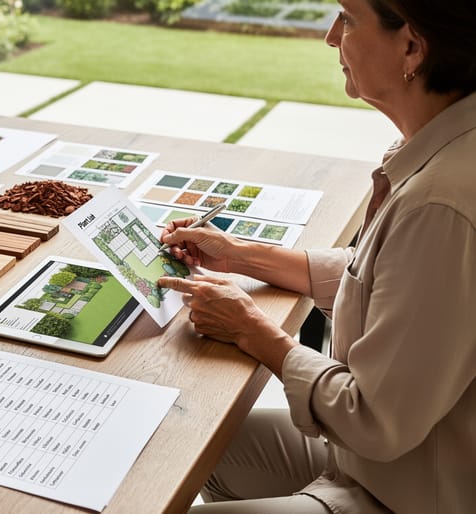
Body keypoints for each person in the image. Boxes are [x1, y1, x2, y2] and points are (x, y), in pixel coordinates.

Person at [157, 1, 475, 513]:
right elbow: (392, 280)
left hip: (409, 492)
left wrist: (252, 329)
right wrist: (240, 255)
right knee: (187, 439)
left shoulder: (440, 204)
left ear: (412, 47)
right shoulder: (447, 145)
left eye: (347, 17)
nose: (331, 36)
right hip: (397, 461)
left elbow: (372, 420)